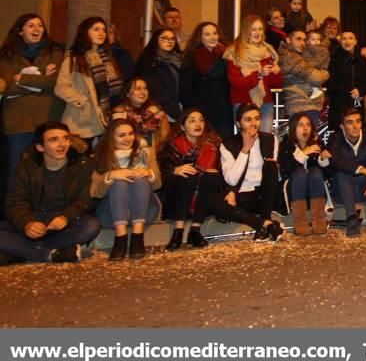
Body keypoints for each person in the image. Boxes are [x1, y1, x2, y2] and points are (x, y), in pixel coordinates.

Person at [0, 122, 100, 263]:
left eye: (66, 138)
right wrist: (27, 223)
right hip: (35, 218)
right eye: (54, 140)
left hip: (63, 222)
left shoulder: (82, 165)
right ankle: (51, 254)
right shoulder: (27, 167)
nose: (62, 144)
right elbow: (15, 202)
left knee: (91, 226)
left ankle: (24, 251)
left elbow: (85, 200)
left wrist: (65, 217)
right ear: (40, 147)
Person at [0, 14, 65, 189]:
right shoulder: (6, 55)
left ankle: (43, 209)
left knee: (46, 167)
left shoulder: (55, 51)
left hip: (47, 118)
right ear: (20, 31)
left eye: (40, 25)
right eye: (31, 25)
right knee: (18, 167)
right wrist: (40, 78)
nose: (36, 29)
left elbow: (53, 82)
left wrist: (21, 78)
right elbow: (5, 86)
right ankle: (16, 212)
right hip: (17, 121)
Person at [91, 118, 161, 260]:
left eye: (130, 134)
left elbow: (158, 184)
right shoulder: (100, 155)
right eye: (121, 135)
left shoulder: (145, 151)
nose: (128, 138)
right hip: (111, 213)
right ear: (111, 137)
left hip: (144, 210)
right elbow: (94, 192)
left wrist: (149, 173)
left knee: (140, 179)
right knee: (119, 182)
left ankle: (137, 236)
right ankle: (120, 237)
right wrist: (111, 175)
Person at [216, 104, 284, 242]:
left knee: (271, 166)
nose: (254, 123)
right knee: (217, 204)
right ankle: (265, 225)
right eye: (248, 119)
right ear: (238, 123)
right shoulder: (227, 145)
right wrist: (245, 150)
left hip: (267, 196)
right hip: (243, 196)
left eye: (257, 118)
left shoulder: (270, 140)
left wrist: (275, 168)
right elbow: (231, 180)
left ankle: (264, 220)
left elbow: (276, 176)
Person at [159, 109, 222, 250]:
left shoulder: (213, 146)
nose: (198, 124)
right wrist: (174, 171)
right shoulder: (172, 147)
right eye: (192, 121)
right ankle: (178, 232)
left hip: (203, 199)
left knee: (211, 176)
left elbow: (221, 178)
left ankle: (195, 230)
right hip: (177, 200)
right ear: (182, 126)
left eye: (201, 120)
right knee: (188, 174)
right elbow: (160, 178)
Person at [56, 16, 123, 142]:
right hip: (82, 119)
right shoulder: (75, 58)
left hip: (104, 117)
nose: (101, 33)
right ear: (85, 32)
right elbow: (61, 87)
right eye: (96, 29)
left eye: (104, 30)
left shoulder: (107, 58)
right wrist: (84, 101)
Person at [327, 108, 366, 238]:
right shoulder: (335, 138)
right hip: (343, 190)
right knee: (341, 173)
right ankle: (352, 219)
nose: (355, 126)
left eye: (358, 121)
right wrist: (365, 170)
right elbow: (336, 160)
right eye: (350, 122)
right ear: (342, 126)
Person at [224, 15, 283, 133]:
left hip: (265, 103)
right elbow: (237, 82)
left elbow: (276, 83)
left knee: (265, 141)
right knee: (247, 140)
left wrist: (276, 72)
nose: (257, 33)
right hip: (243, 102)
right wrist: (259, 74)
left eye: (260, 29)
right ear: (246, 30)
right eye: (253, 29)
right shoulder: (235, 52)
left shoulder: (267, 51)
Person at [278, 113, 329, 236]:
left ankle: (318, 220)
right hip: (294, 193)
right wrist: (304, 153)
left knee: (316, 172)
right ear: (293, 128)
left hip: (314, 192)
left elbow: (327, 175)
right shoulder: (286, 145)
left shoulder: (317, 144)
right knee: (300, 173)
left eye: (308, 125)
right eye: (301, 125)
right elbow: (286, 170)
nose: (305, 128)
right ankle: (300, 222)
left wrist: (324, 160)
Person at [179, 22, 233, 139]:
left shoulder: (226, 56)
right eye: (207, 34)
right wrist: (197, 110)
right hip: (200, 113)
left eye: (215, 33)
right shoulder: (191, 58)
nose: (212, 37)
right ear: (200, 37)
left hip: (223, 112)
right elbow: (185, 89)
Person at [278, 29, 329, 126]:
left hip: (306, 104)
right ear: (288, 40)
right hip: (300, 104)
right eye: (298, 39)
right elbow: (317, 78)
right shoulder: (289, 57)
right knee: (305, 138)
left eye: (304, 40)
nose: (302, 43)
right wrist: (325, 73)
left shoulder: (299, 56)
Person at [134, 27, 182, 122]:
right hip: (162, 110)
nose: (169, 41)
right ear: (156, 40)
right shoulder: (149, 61)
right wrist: (177, 113)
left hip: (181, 106)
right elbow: (157, 91)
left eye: (172, 39)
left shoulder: (180, 60)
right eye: (164, 38)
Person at [327, 30, 366, 130]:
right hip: (339, 105)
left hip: (357, 104)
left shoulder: (362, 60)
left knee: (357, 133)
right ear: (340, 42)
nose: (347, 41)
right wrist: (350, 90)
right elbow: (330, 84)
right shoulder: (334, 60)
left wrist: (359, 91)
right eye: (344, 38)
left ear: (355, 41)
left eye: (350, 38)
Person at [111, 78, 171, 149]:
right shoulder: (119, 112)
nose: (143, 92)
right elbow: (116, 138)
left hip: (155, 152)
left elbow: (165, 136)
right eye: (138, 88)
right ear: (127, 93)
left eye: (145, 88)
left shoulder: (157, 111)